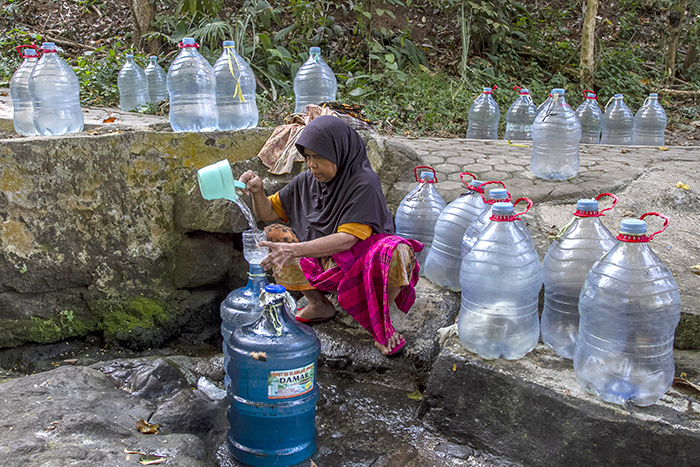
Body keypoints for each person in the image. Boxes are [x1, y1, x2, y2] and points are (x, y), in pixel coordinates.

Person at [238, 115, 422, 356]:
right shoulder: (307, 180)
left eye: (320, 157)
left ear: (340, 154)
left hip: (362, 262)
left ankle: (382, 322)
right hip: (325, 264)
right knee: (275, 235)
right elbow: (268, 213)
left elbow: (347, 240)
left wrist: (295, 250)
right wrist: (258, 191)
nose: (312, 165)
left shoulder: (363, 183)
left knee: (396, 250)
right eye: (308, 157)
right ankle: (318, 304)